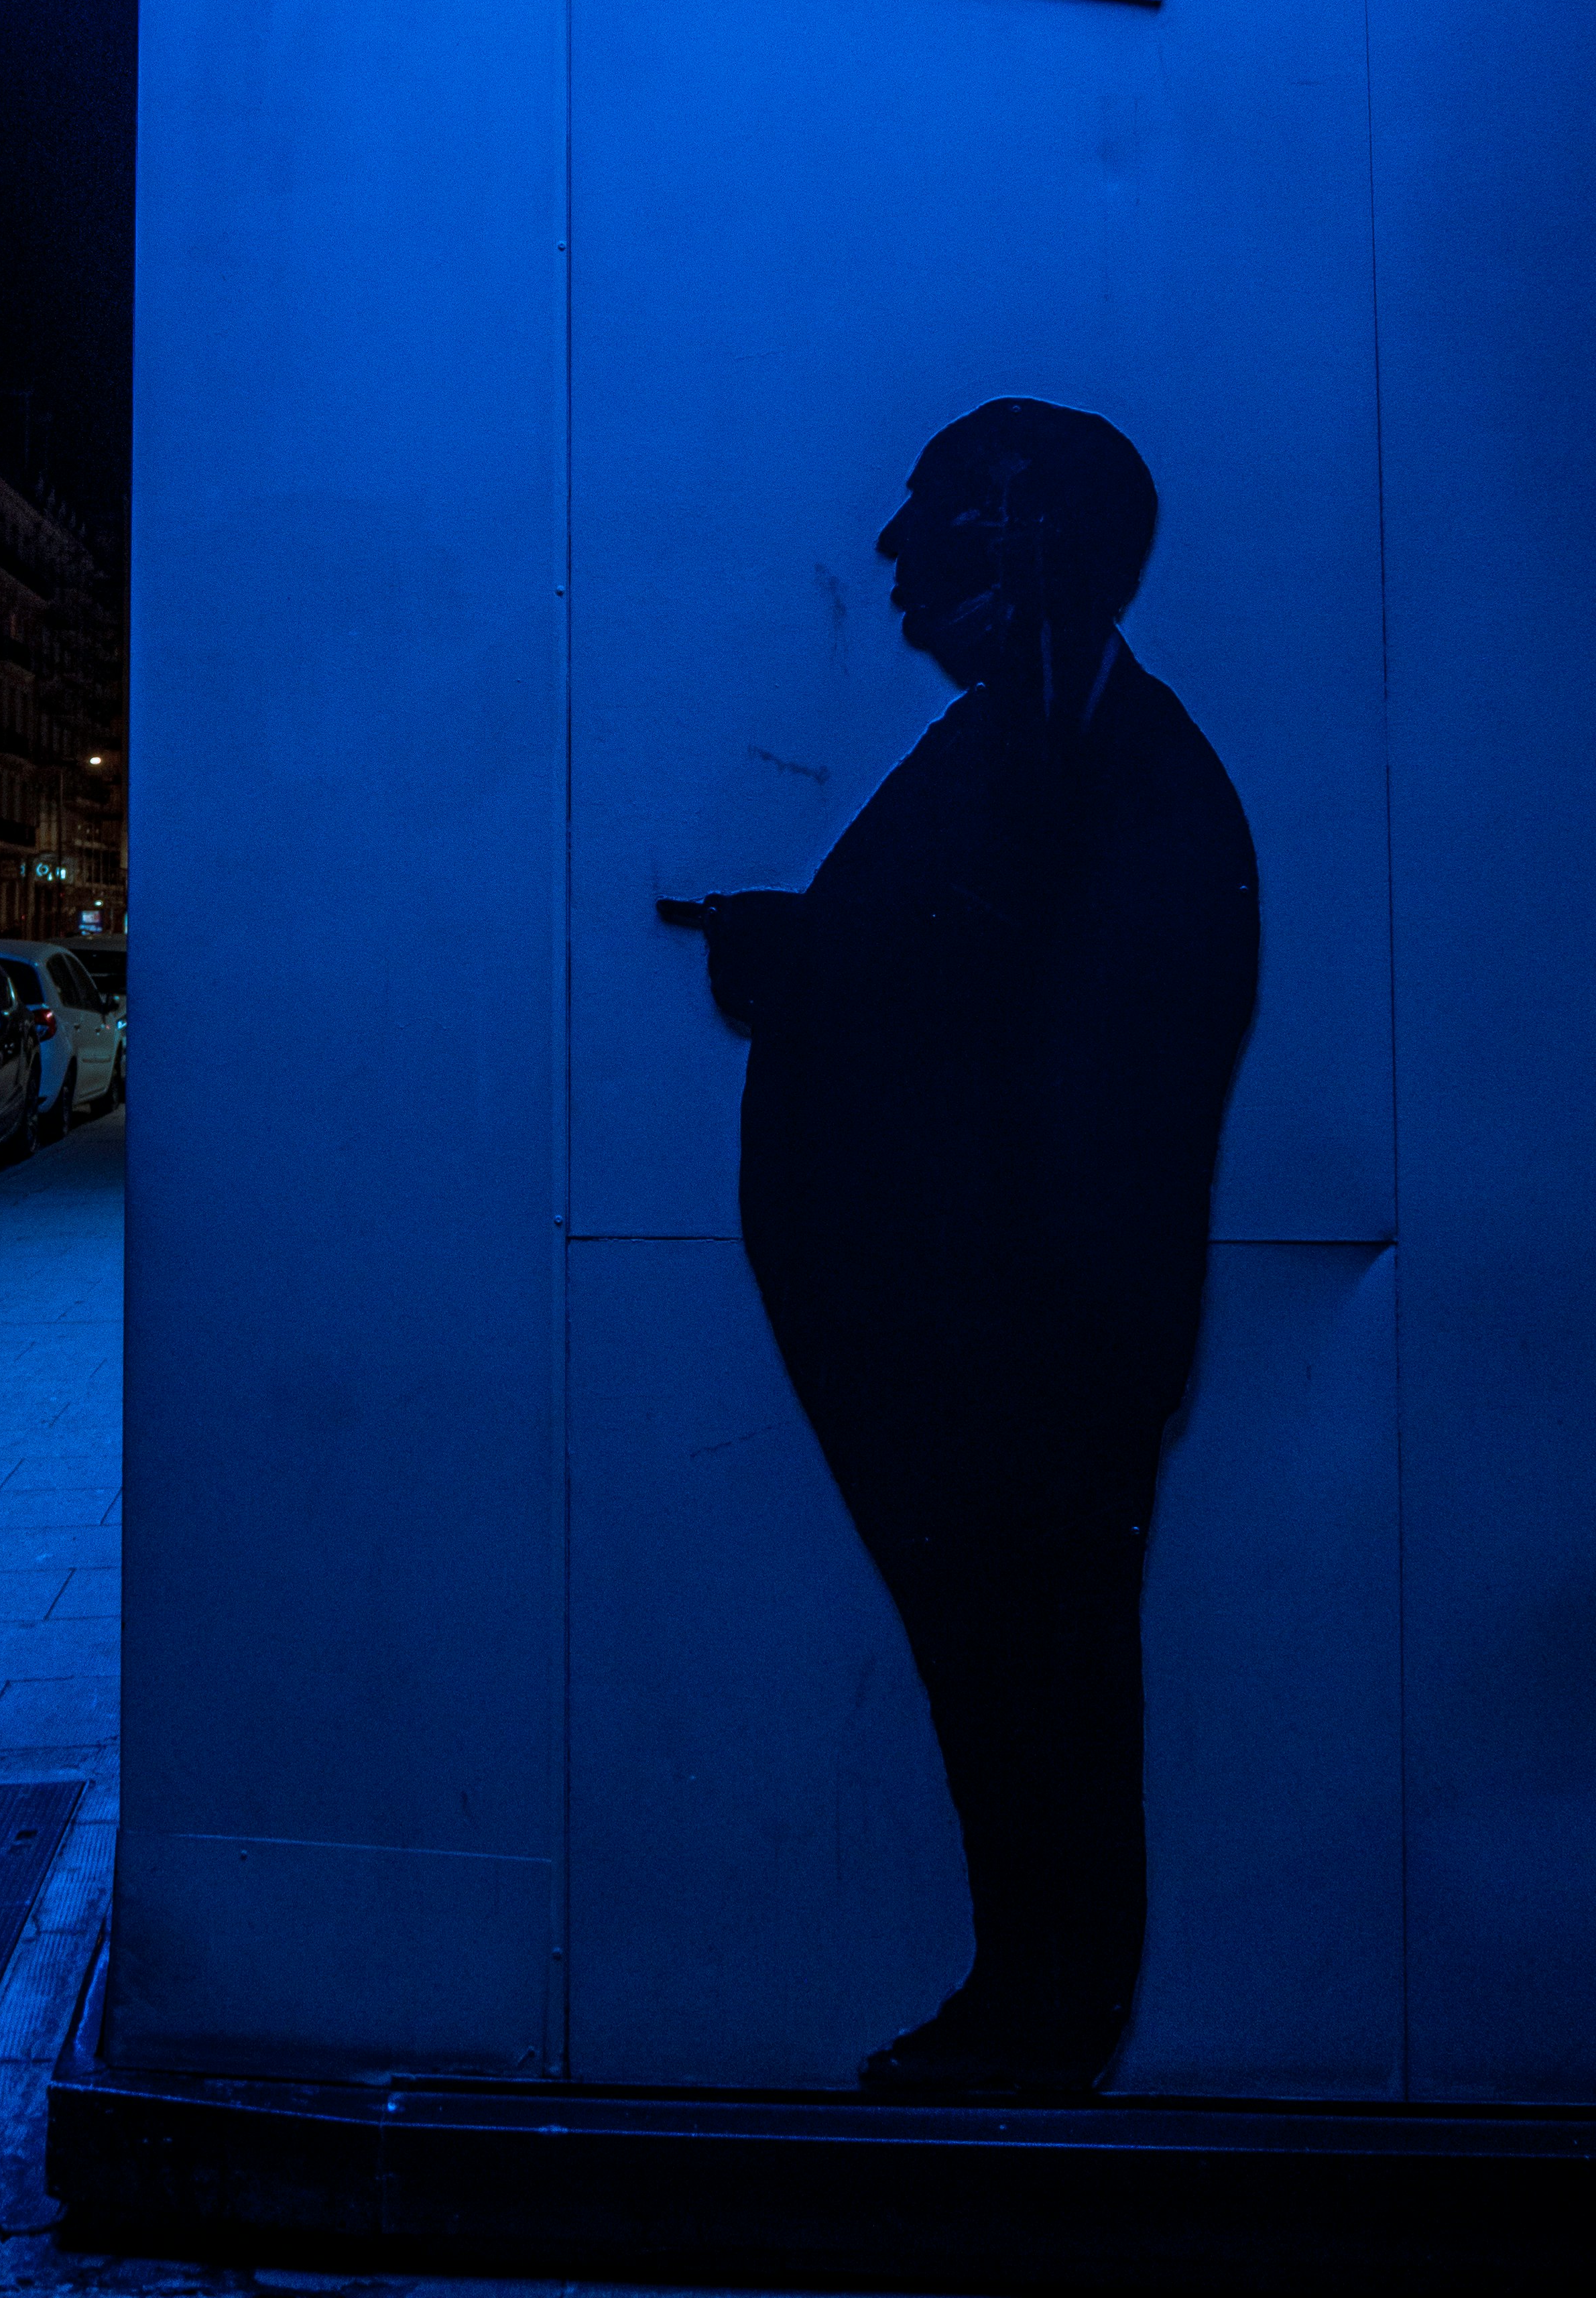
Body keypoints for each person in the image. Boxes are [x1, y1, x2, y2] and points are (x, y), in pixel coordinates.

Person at [663, 398, 1258, 2096]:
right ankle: (1033, 1997)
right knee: (1012, 1701)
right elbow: (965, 974)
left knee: (1038, 1699)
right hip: (970, 1360)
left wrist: (823, 976)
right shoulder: (1037, 742)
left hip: (1016, 1368)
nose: (896, 549)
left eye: (934, 511)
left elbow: (1069, 1053)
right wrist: (816, 957)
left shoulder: (1106, 766)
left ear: (1024, 531)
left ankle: (1043, 2015)